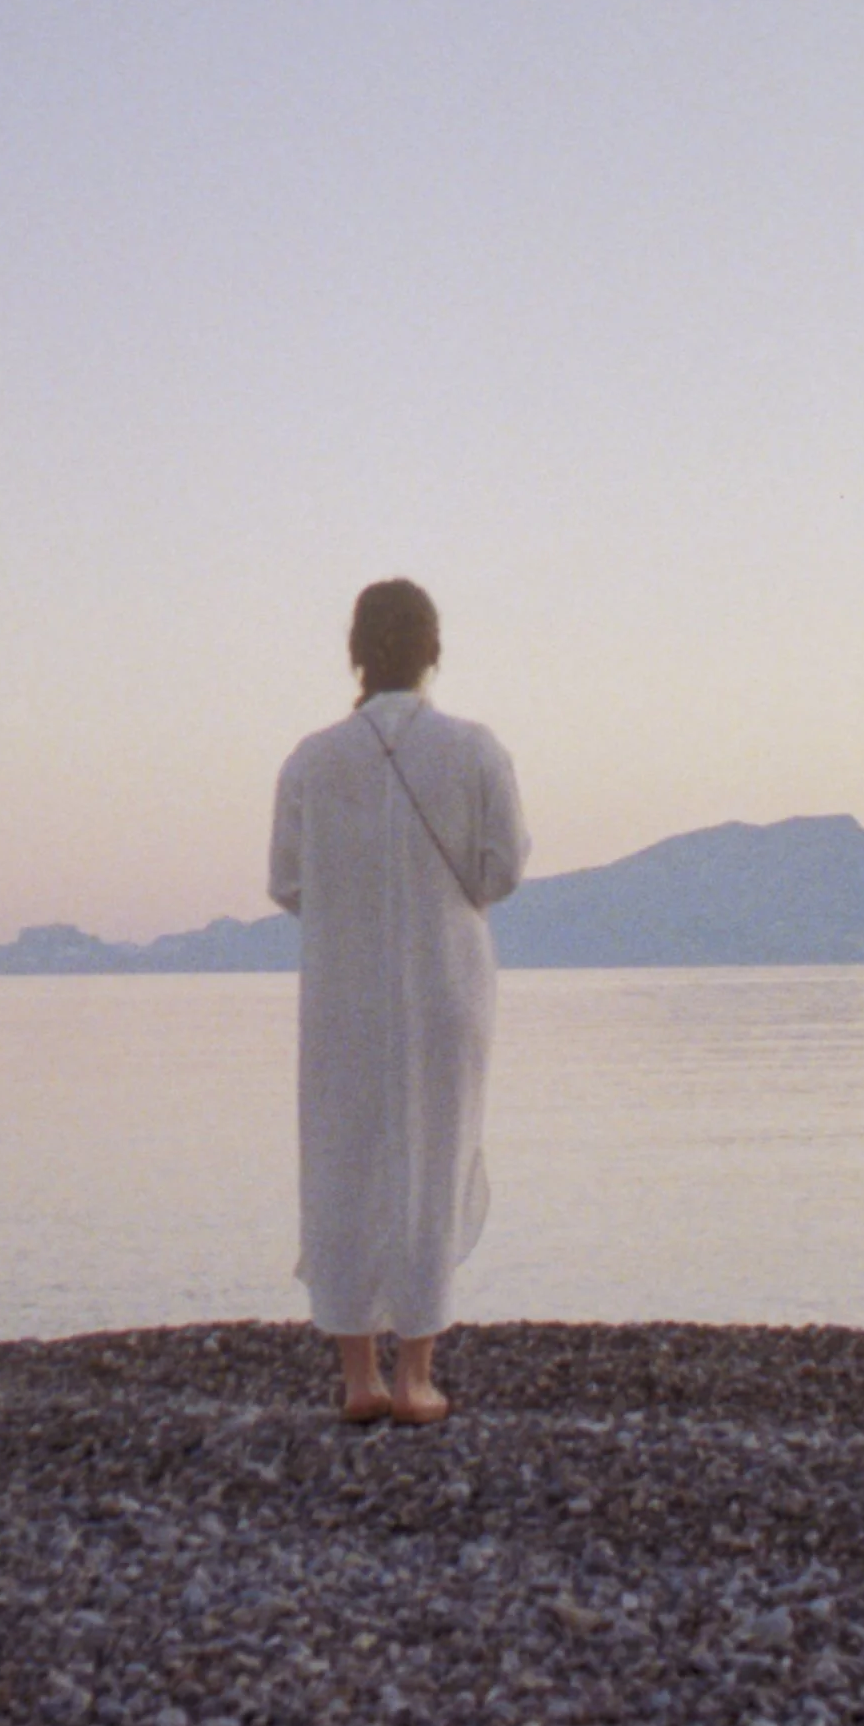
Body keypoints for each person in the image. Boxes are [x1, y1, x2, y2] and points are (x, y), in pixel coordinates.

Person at [269, 580, 529, 1423]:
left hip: (342, 990)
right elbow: (500, 872)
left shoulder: (310, 759)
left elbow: (287, 883)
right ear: (432, 652)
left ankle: (356, 1378)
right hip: (446, 986)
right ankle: (415, 1376)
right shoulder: (476, 749)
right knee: (434, 1154)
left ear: (356, 652)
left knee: (341, 1158)